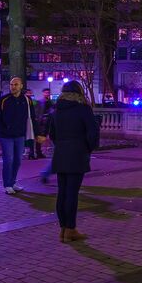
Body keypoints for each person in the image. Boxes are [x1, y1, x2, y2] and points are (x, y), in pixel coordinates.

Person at [47, 80, 100, 242]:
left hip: (61, 154)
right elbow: (93, 132)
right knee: (72, 193)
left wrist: (61, 145)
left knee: (62, 192)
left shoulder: (57, 111)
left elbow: (52, 134)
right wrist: (88, 148)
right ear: (79, 92)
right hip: (77, 153)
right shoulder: (83, 109)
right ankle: (71, 229)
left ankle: (63, 228)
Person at [0, 77, 32, 194]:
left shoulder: (26, 100)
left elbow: (32, 118)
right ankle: (7, 184)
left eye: (16, 84)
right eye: (11, 84)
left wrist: (37, 133)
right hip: (6, 136)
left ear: (21, 86)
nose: (13, 87)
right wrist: (3, 130)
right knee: (8, 159)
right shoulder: (3, 100)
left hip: (20, 135)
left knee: (18, 160)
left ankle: (13, 182)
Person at [39, 88, 55, 184]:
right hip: (45, 124)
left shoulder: (51, 103)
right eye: (45, 92)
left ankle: (46, 174)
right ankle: (45, 174)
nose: (47, 94)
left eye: (48, 92)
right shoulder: (41, 102)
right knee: (58, 157)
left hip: (49, 127)